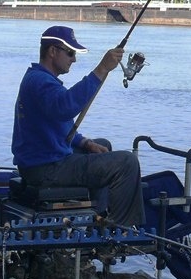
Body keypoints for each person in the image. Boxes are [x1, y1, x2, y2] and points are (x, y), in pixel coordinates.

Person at [11, 25, 144, 228]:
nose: (74, 59)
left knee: (102, 145)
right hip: (45, 168)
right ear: (52, 51)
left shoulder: (39, 79)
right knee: (127, 162)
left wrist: (86, 143)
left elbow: (60, 124)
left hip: (40, 161)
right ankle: (122, 230)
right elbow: (66, 108)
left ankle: (98, 213)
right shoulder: (41, 83)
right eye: (70, 53)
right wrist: (101, 69)